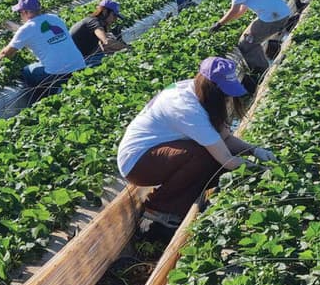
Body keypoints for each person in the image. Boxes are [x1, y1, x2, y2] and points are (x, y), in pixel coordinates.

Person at [117, 56, 277, 227]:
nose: (228, 99)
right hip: (137, 164)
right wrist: (263, 172)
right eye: (226, 94)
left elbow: (224, 138)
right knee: (205, 156)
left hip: (159, 153)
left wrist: (254, 150)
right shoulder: (186, 108)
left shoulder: (196, 90)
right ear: (213, 90)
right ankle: (159, 209)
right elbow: (227, 160)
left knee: (211, 156)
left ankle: (186, 196)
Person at [209, 0, 291, 78]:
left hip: (273, 18)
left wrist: (219, 24)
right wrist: (227, 22)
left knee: (246, 43)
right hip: (281, 13)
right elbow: (242, 10)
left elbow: (234, 9)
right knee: (248, 37)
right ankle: (265, 65)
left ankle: (262, 74)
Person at [0, 0, 85, 91]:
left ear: (25, 12)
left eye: (20, 12)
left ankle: (41, 93)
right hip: (80, 67)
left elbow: (5, 54)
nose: (20, 16)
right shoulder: (54, 18)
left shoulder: (26, 29)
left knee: (26, 71)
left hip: (56, 74)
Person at [69, 0, 127, 66]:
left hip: (82, 57)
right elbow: (107, 42)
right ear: (105, 12)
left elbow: (104, 47)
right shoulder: (93, 22)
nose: (115, 19)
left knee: (113, 56)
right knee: (109, 61)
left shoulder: (101, 24)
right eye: (114, 15)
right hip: (75, 61)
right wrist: (128, 48)